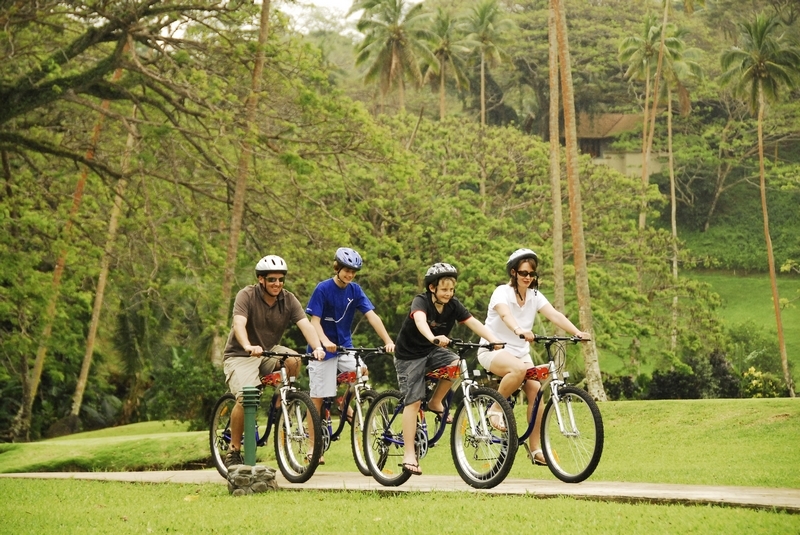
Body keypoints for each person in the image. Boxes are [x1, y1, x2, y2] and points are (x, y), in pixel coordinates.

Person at [477, 248, 591, 466]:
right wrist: (519, 330)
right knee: (518, 370)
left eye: (531, 274)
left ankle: (536, 449)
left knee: (536, 391)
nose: (527, 277)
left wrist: (576, 332)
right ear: (513, 273)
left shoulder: (535, 296)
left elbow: (555, 315)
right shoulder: (502, 292)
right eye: (523, 273)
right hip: (493, 351)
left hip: (519, 354)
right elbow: (505, 314)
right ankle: (495, 408)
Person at [393, 262, 504, 476]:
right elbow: (420, 321)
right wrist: (433, 337)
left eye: (451, 289)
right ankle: (408, 454)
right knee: (414, 401)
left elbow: (473, 322)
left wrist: (493, 339)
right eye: (444, 289)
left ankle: (436, 401)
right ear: (432, 288)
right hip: (409, 355)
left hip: (433, 351)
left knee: (455, 363)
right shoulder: (421, 301)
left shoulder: (453, 305)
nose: (448, 293)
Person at [222, 254, 326, 468]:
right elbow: (239, 324)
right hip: (241, 355)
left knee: (294, 360)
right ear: (261, 279)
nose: (277, 284)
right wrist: (248, 345)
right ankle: (234, 449)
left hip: (268, 352)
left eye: (280, 279)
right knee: (246, 397)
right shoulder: (246, 295)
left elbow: (306, 325)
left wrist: (317, 347)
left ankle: (284, 400)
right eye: (272, 280)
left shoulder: (288, 299)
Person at [305, 247, 395, 464]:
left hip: (345, 346)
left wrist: (388, 341)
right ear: (337, 267)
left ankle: (344, 402)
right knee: (316, 398)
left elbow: (372, 316)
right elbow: (313, 322)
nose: (350, 274)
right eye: (347, 270)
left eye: (353, 271)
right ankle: (312, 447)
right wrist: (325, 342)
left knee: (362, 372)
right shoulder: (323, 289)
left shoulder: (355, 290)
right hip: (321, 350)